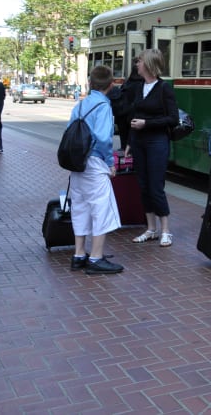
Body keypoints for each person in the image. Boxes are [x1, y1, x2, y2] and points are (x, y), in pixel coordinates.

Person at [67, 65, 124, 274]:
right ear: (111, 85)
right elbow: (103, 138)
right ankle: (96, 258)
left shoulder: (80, 105)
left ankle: (79, 254)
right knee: (101, 208)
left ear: (90, 83)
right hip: (95, 162)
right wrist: (110, 163)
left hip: (78, 162)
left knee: (80, 206)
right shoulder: (103, 106)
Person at [128, 49, 179, 247]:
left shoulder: (164, 88)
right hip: (139, 142)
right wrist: (130, 143)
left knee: (156, 186)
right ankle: (151, 229)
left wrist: (146, 124)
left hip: (157, 142)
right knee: (143, 185)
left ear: (149, 64)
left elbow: (173, 119)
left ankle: (165, 230)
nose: (137, 65)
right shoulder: (138, 87)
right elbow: (133, 116)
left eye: (139, 61)